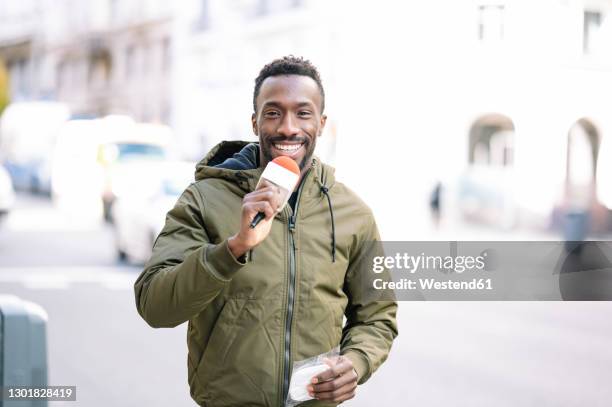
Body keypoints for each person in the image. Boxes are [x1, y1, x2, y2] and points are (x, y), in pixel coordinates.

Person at [134, 56, 398, 406]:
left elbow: (377, 317)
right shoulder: (203, 199)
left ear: (321, 123)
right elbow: (155, 306)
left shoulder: (354, 213)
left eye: (303, 113)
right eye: (273, 113)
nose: (288, 127)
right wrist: (233, 248)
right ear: (255, 121)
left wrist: (356, 362)